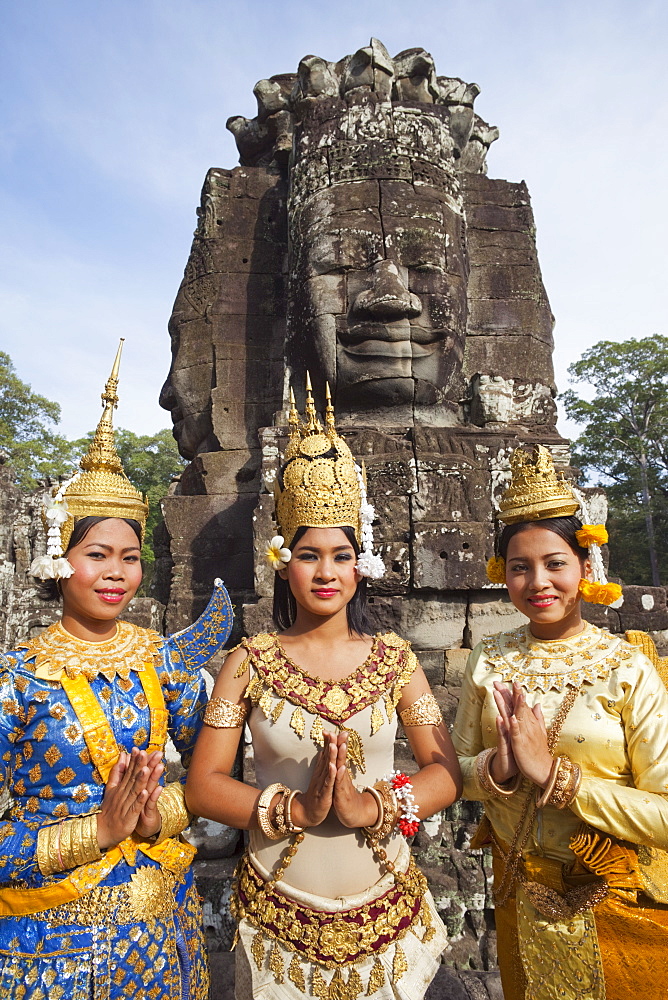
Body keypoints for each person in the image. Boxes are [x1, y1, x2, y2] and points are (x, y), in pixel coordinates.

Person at [186, 382, 462, 1000]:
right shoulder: (249, 662)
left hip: (387, 909)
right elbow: (203, 787)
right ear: (283, 561)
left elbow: (445, 775)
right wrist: (297, 810)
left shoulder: (394, 661)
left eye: (341, 555)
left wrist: (373, 808)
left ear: (358, 564)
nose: (326, 572)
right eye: (309, 555)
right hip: (280, 915)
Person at [0, 341, 233, 999]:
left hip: (163, 937)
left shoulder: (166, 668)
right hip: (53, 946)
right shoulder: (16, 682)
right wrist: (95, 831)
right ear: (58, 556)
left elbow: (211, 782)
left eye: (129, 558)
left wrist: (161, 812)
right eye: (97, 553)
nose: (116, 574)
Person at [452, 444, 668, 1000]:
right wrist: (498, 767)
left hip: (617, 896)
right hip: (521, 893)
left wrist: (556, 776)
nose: (538, 582)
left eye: (555, 563)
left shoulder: (627, 666)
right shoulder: (491, 657)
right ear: (504, 575)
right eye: (520, 567)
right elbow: (454, 773)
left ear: (585, 566)